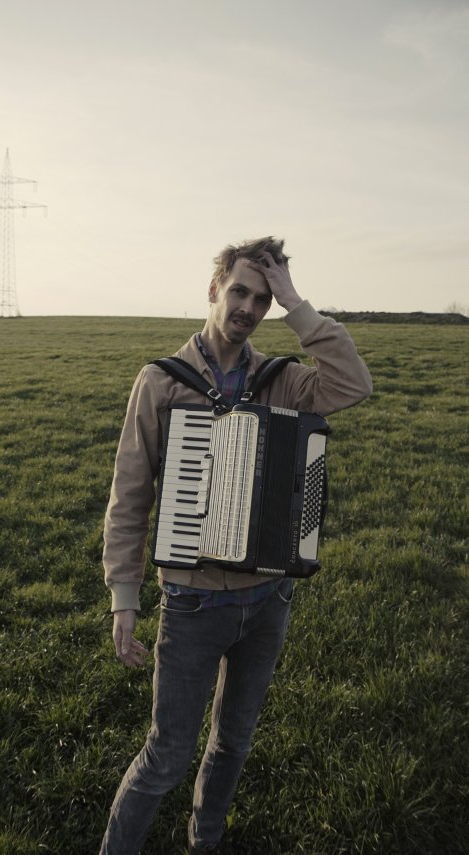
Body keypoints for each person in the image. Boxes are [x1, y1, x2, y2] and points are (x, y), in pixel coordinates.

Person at [99, 237, 372, 854]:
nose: (249, 306)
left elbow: (354, 386)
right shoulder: (161, 383)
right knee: (167, 756)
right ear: (214, 288)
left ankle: (207, 840)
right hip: (192, 603)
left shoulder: (282, 381)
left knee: (234, 741)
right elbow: (130, 493)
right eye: (240, 290)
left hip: (269, 598)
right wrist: (124, 594)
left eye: (263, 297)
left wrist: (297, 304)